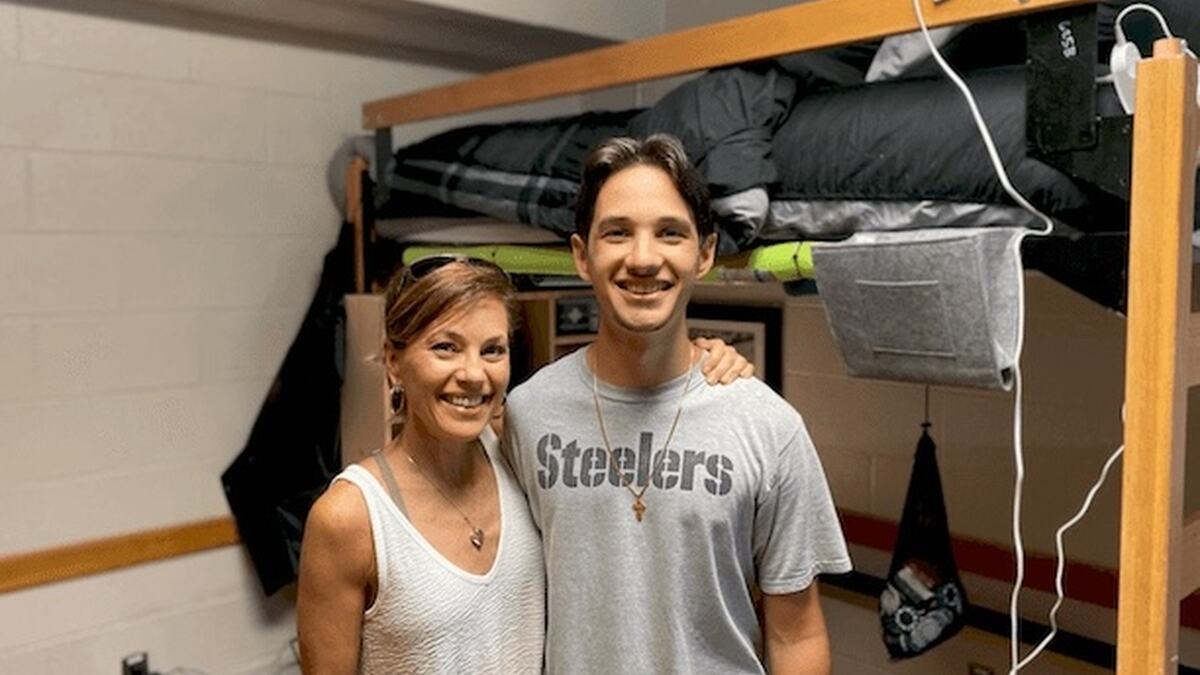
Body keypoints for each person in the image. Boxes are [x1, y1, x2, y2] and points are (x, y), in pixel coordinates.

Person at [296, 255, 754, 674]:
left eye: (492, 350)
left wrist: (702, 358)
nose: (474, 374)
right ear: (394, 362)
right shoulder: (351, 518)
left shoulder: (520, 450)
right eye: (445, 348)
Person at [504, 134, 852, 674]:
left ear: (705, 253)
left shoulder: (769, 427)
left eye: (670, 233)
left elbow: (798, 634)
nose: (644, 259)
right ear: (581, 256)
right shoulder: (526, 414)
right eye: (617, 233)